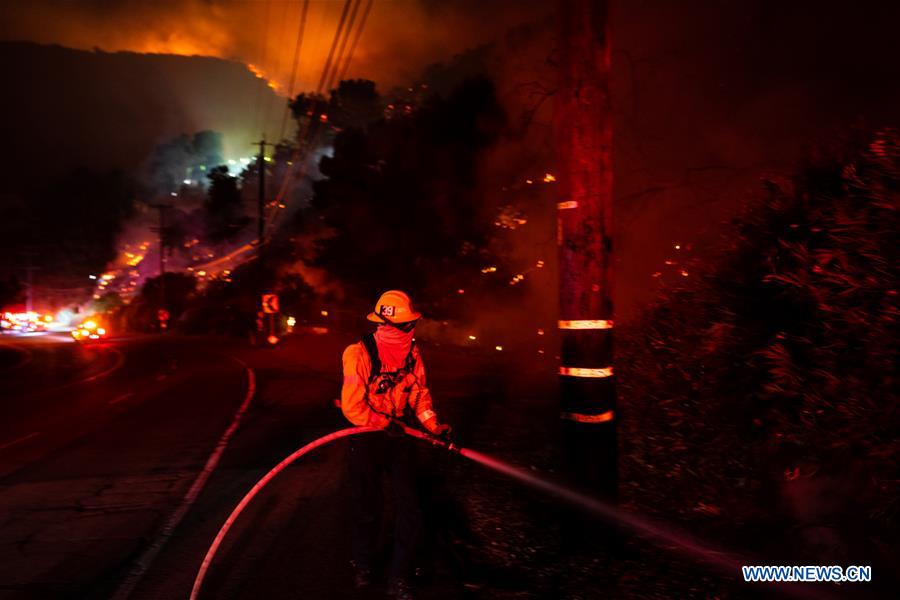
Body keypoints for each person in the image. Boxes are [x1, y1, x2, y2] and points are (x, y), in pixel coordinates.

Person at [340, 290, 452, 599]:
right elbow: (352, 407)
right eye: (405, 325)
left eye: (409, 324)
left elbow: (419, 394)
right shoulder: (358, 353)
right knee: (367, 507)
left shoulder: (412, 353)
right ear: (387, 324)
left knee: (410, 508)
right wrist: (382, 424)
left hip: (399, 436)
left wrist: (433, 425)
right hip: (366, 437)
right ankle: (363, 565)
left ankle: (399, 575)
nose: (409, 329)